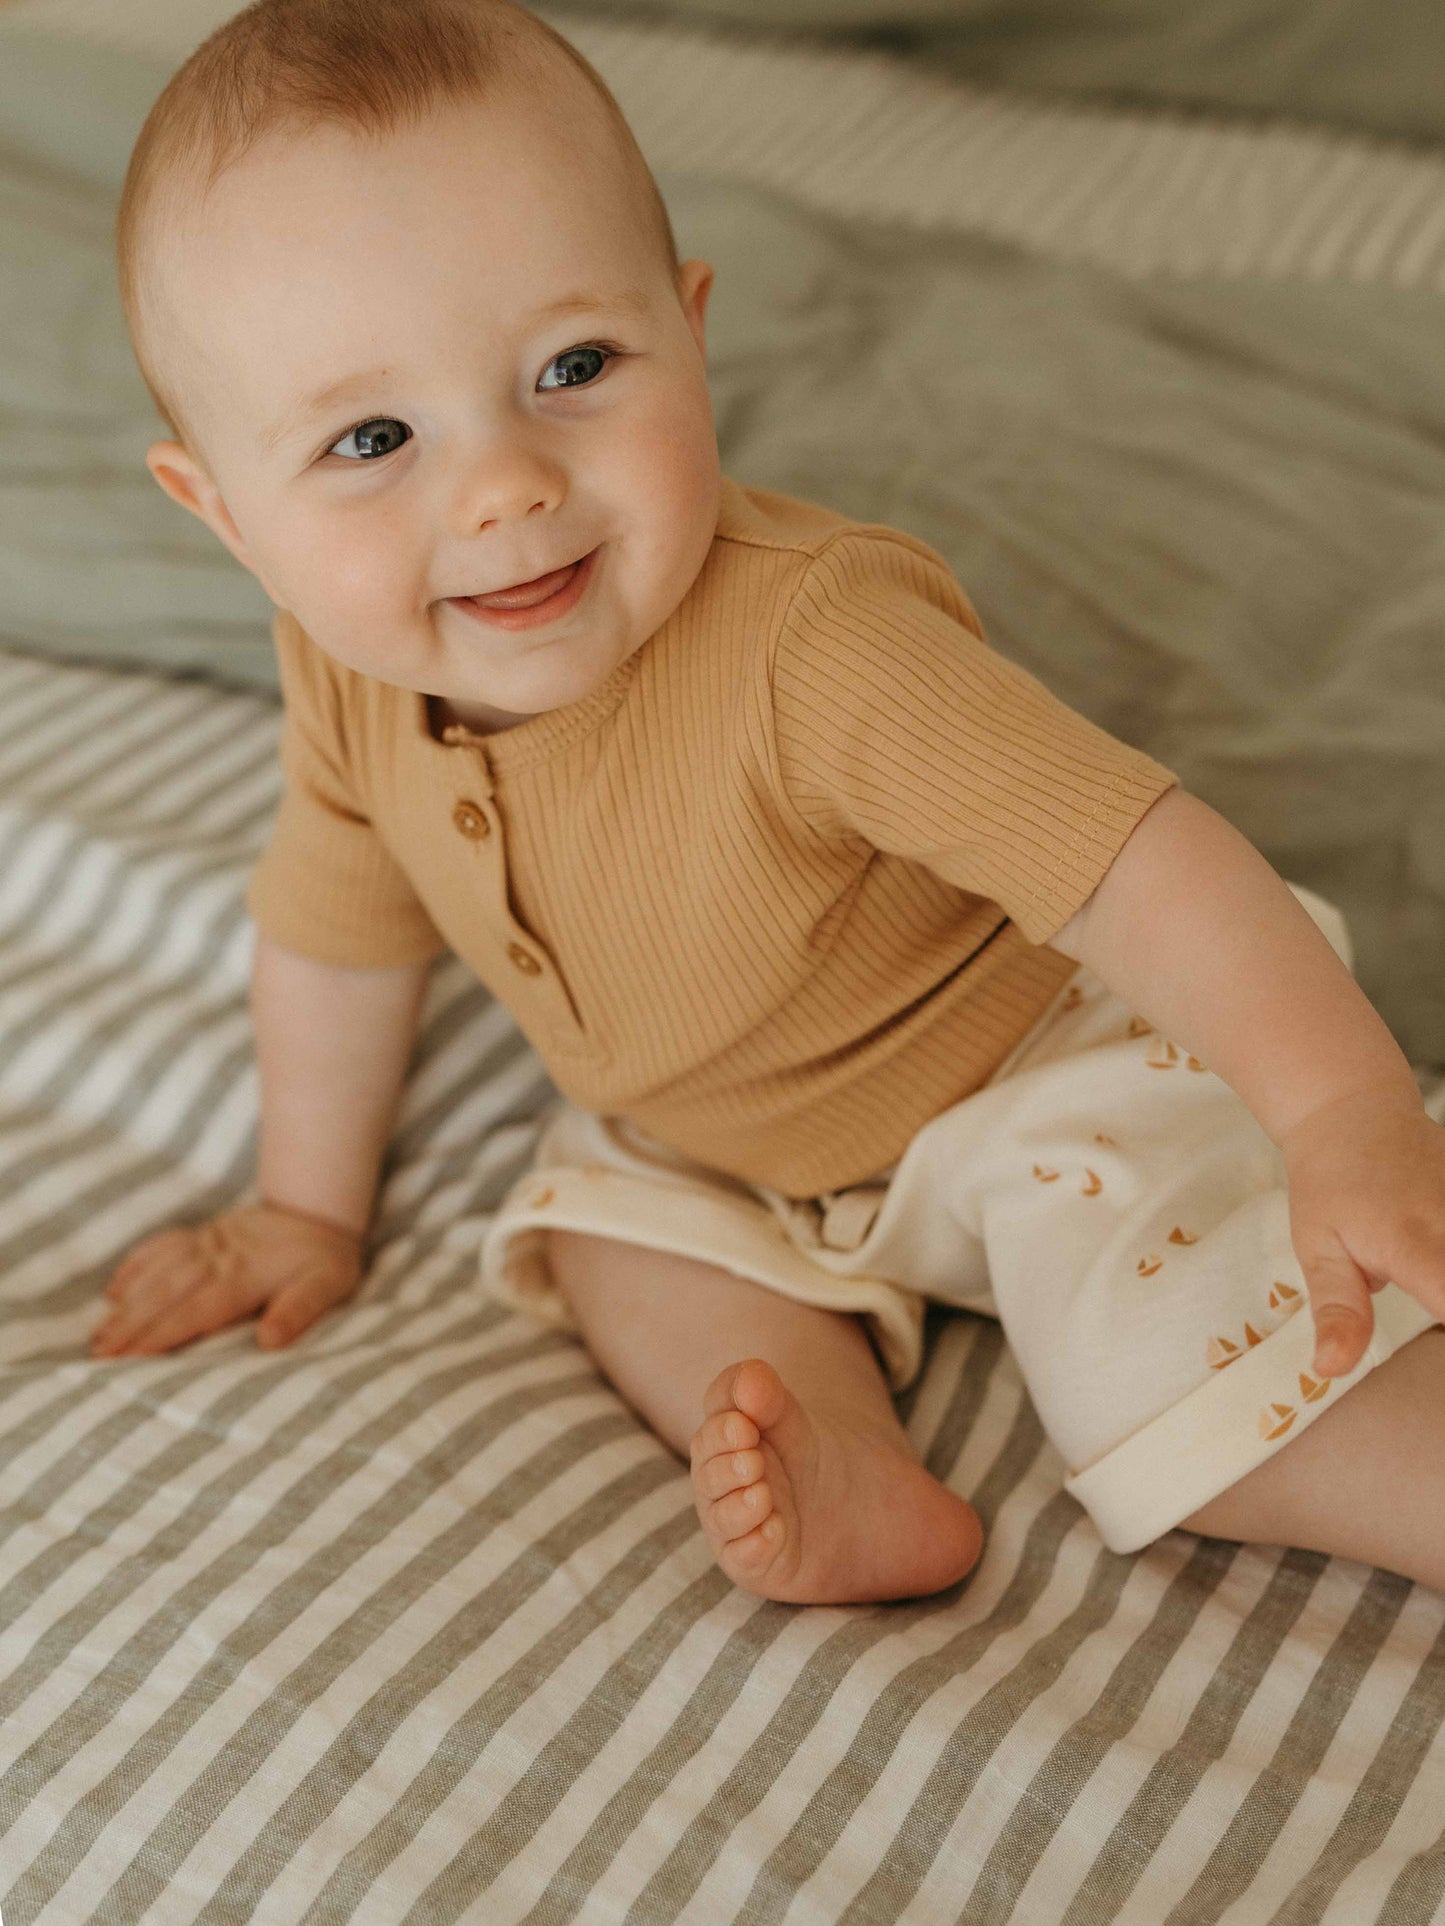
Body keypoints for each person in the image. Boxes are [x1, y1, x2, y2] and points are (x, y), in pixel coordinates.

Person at [97, 0, 1445, 1606]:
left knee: (1187, 1371)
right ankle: (844, 1455)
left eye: (574, 367)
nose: (503, 485)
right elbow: (336, 928)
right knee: (600, 1229)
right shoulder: (347, 666)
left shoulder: (815, 645)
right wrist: (302, 1208)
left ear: (692, 329)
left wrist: (1335, 1110)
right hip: (724, 1135)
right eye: (373, 438)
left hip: (1032, 1070)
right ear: (226, 513)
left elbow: (1134, 866)